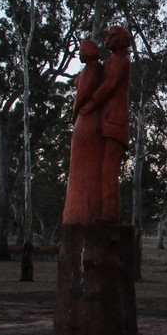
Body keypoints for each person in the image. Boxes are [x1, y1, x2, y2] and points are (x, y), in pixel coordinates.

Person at [79, 27, 131, 224]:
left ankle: (110, 215)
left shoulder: (120, 60)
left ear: (122, 41)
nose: (107, 40)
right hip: (107, 122)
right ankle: (103, 211)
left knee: (108, 171)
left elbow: (109, 84)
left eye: (112, 36)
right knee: (103, 170)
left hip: (115, 123)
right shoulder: (112, 60)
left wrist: (92, 103)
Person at [62, 39, 103, 225]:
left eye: (81, 50)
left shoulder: (92, 71)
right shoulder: (93, 70)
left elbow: (82, 94)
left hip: (85, 120)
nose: (79, 53)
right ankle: (80, 209)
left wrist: (75, 113)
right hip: (89, 120)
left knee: (83, 168)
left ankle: (80, 211)